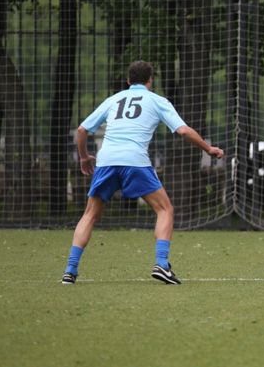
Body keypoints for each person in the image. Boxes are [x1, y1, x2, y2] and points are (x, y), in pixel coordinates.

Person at [61, 60, 224, 285]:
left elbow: (82, 129)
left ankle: (70, 270)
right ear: (150, 80)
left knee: (90, 215)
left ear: (128, 81)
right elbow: (183, 130)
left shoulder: (113, 100)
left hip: (107, 161)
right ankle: (162, 264)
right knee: (164, 209)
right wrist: (208, 148)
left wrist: (84, 157)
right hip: (135, 161)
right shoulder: (157, 100)